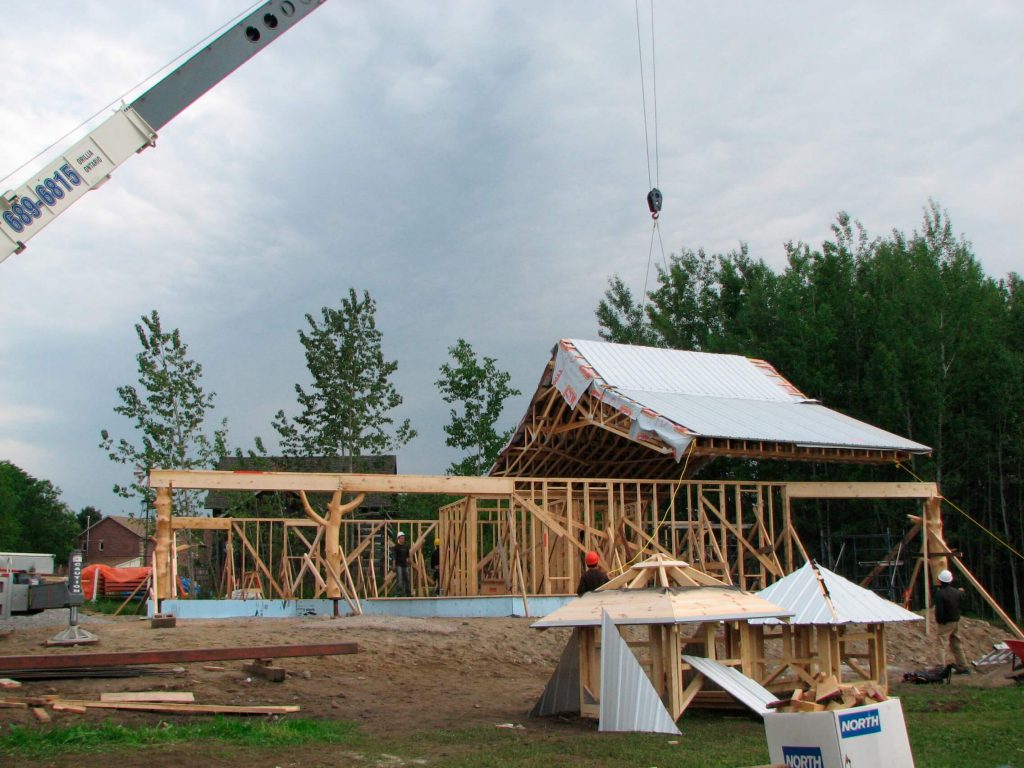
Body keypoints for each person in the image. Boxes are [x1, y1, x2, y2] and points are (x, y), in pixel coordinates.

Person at [934, 568, 969, 673]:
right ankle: (964, 666)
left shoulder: (940, 594)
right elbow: (962, 596)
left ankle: (940, 666)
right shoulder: (957, 592)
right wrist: (962, 591)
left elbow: (939, 610)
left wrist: (940, 621)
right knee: (956, 644)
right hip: (956, 621)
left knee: (941, 644)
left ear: (940, 581)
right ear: (950, 580)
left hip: (946, 622)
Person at [393, 530, 411, 597]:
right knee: (399, 579)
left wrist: (408, 561)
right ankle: (398, 593)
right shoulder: (396, 547)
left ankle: (408, 593)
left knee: (407, 579)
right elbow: (394, 557)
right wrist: (394, 565)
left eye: (403, 538)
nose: (403, 539)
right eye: (401, 538)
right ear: (398, 539)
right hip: (398, 565)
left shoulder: (406, 547)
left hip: (405, 565)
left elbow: (407, 556)